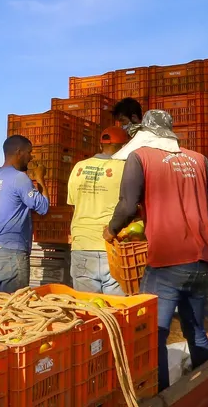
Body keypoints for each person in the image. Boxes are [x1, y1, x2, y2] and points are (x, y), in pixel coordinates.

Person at [103, 110, 208, 392]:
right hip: (200, 260)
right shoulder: (196, 159)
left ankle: (163, 397)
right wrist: (206, 213)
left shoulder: (139, 157)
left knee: (154, 335)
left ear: (144, 134)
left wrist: (112, 229)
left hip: (166, 263)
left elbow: (128, 206)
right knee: (196, 331)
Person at [66, 126, 130, 295]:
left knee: (89, 311)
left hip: (82, 246)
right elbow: (130, 206)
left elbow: (73, 205)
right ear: (124, 146)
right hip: (112, 245)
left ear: (101, 145)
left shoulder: (79, 167)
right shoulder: (125, 168)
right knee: (115, 312)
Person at [0, 135, 49, 293]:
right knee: (14, 305)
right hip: (12, 253)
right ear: (19, 152)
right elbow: (43, 207)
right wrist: (40, 178)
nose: (31, 157)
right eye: (29, 152)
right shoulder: (19, 178)